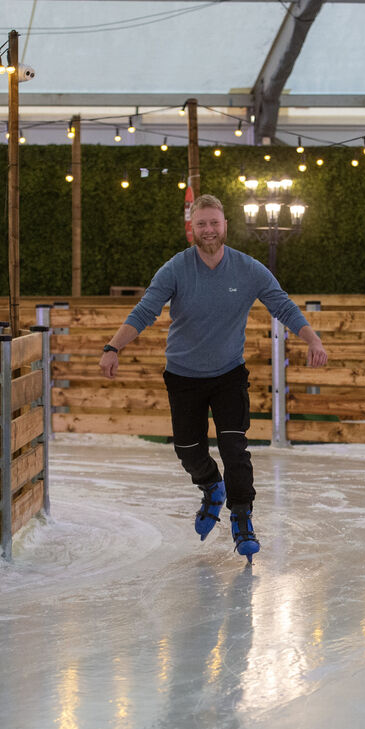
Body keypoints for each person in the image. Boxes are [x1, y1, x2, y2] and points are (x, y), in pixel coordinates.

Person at [99, 193, 328, 563]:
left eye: (214, 223)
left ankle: (242, 518)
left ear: (225, 226)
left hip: (228, 375)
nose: (208, 230)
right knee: (188, 449)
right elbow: (145, 310)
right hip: (183, 375)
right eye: (201, 224)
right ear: (192, 228)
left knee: (235, 449)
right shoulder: (176, 268)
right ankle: (211, 486)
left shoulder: (247, 268)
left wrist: (313, 339)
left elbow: (282, 305)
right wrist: (113, 347)